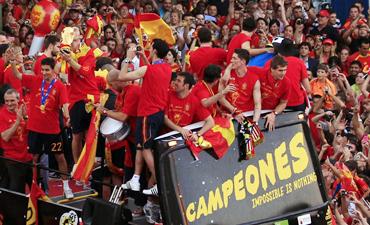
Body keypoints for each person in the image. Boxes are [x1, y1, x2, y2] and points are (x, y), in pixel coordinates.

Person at [113, 39, 171, 196]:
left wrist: (128, 58)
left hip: (147, 113)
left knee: (145, 148)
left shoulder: (147, 69)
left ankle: (161, 181)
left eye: (150, 47)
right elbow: (151, 69)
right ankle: (136, 179)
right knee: (140, 146)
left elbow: (123, 76)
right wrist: (143, 57)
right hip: (156, 113)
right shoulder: (167, 68)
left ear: (154, 51)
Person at [11, 57, 73, 199]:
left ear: (53, 70)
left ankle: (66, 186)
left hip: (52, 130)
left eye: (47, 70)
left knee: (60, 157)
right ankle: (34, 187)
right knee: (33, 158)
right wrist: (14, 63)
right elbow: (18, 75)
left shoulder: (60, 86)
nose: (44, 73)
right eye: (42, 70)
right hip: (34, 129)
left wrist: (67, 115)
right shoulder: (35, 80)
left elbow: (64, 104)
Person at [59, 27, 101, 167]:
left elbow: (84, 72)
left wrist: (69, 60)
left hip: (90, 98)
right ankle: (77, 165)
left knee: (90, 135)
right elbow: (61, 74)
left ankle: (91, 165)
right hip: (75, 100)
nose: (76, 43)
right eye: (73, 40)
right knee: (77, 135)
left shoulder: (88, 52)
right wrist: (62, 58)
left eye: (77, 40)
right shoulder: (65, 53)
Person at [164, 72, 215, 140]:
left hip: (182, 137)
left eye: (179, 81)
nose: (175, 82)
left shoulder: (194, 101)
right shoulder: (168, 95)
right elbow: (165, 118)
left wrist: (198, 134)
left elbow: (211, 122)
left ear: (186, 86)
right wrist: (180, 129)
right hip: (165, 136)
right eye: (176, 80)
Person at [0, 89, 32, 193]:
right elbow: (5, 137)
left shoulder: (24, 110)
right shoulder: (2, 115)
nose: (9, 104)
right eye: (7, 101)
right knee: (17, 191)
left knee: (35, 189)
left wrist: (25, 118)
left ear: (18, 100)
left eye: (12, 100)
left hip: (28, 157)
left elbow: (31, 131)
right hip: (13, 160)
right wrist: (18, 121)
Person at [221, 48, 261, 123]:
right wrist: (235, 111)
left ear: (243, 61)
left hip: (245, 116)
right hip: (227, 115)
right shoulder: (225, 75)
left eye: (234, 58)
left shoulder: (254, 79)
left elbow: (257, 104)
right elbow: (220, 98)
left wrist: (255, 123)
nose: (231, 61)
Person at [258, 55, 291, 131]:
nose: (283, 73)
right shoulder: (260, 73)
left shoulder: (287, 82)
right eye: (280, 70)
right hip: (254, 112)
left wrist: (274, 113)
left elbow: (283, 103)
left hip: (270, 113)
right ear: (272, 69)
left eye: (285, 70)